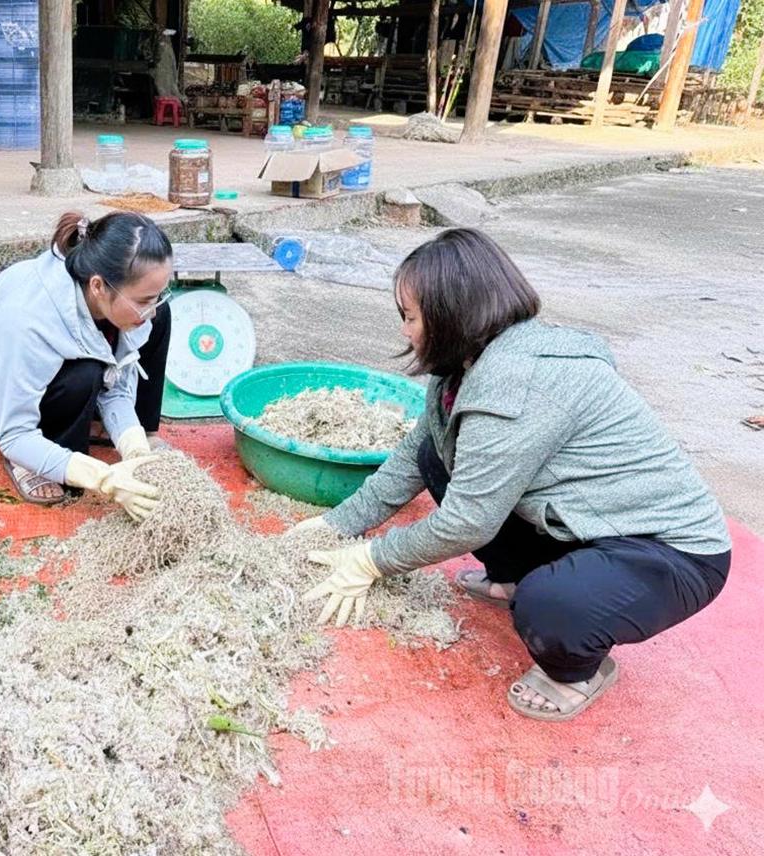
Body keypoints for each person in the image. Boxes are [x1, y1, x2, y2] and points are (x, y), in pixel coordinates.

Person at [296, 228, 731, 722]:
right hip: (587, 525)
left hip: (671, 553)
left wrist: (370, 561)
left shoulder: (514, 385)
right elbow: (419, 450)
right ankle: (513, 578)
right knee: (440, 460)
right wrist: (341, 523)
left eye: (409, 317)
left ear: (449, 315)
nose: (404, 331)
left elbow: (467, 523)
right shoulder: (468, 364)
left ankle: (575, 670)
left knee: (551, 608)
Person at [0, 211, 174, 516]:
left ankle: (135, 433)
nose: (151, 309)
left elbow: (115, 380)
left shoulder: (112, 297)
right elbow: (14, 433)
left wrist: (133, 445)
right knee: (84, 374)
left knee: (160, 318)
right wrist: (104, 479)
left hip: (50, 372)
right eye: (144, 299)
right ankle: (32, 459)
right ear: (98, 286)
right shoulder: (29, 319)